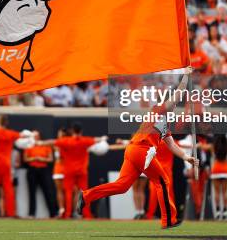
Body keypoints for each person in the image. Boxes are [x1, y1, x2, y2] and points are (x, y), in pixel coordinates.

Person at [79, 74, 198, 229]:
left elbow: (172, 145)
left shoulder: (164, 122)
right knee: (163, 182)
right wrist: (186, 77)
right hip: (142, 149)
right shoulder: (160, 108)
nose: (175, 105)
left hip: (133, 150)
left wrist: (186, 157)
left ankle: (86, 196)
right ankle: (168, 220)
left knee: (121, 186)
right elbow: (177, 94)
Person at [24, 130, 56, 217]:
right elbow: (26, 159)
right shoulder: (29, 146)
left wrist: (41, 159)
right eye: (33, 136)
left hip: (43, 169)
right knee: (32, 192)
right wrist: (35, 158)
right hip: (32, 170)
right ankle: (31, 213)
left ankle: (53, 213)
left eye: (36, 136)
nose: (35, 137)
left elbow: (50, 159)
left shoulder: (45, 146)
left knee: (48, 191)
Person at [201, 135, 227, 220]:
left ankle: (217, 211)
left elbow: (203, 147)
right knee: (225, 192)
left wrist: (199, 145)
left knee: (217, 192)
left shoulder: (212, 146)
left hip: (216, 169)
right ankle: (225, 211)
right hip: (226, 169)